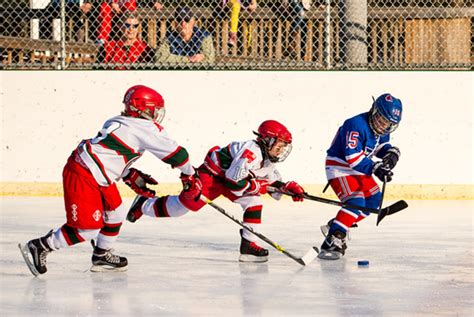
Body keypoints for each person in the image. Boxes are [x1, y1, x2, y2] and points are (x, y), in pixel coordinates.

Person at [19, 85, 201, 276]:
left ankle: (101, 255)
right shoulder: (143, 127)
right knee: (86, 230)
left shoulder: (119, 120)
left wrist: (127, 173)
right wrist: (190, 174)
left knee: (116, 212)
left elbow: (108, 153)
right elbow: (178, 155)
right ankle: (41, 246)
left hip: (95, 172)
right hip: (84, 174)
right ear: (142, 109)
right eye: (153, 109)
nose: (156, 114)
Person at [126, 120, 306, 263]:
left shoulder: (268, 159)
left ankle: (249, 245)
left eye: (284, 146)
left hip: (228, 179)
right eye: (279, 145)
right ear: (267, 140)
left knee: (253, 202)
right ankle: (144, 204)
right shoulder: (252, 152)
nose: (281, 150)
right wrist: (260, 187)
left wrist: (285, 187)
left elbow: (269, 181)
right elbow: (234, 182)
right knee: (182, 208)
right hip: (211, 177)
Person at [318, 93, 403, 260]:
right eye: (380, 118)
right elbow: (353, 158)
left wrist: (390, 154)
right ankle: (333, 240)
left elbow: (379, 147)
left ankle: (337, 225)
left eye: (388, 123)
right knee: (356, 202)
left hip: (360, 168)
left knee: (373, 202)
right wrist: (376, 168)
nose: (382, 125)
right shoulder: (355, 124)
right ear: (373, 111)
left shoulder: (383, 130)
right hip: (339, 167)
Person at [96, 0, 163, 43]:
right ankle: (102, 40)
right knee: (104, 7)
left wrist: (155, 2)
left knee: (130, 6)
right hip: (110, 3)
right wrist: (111, 2)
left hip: (127, 3)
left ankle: (127, 40)